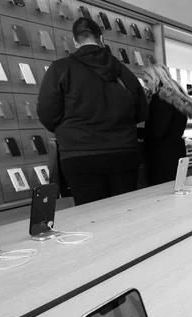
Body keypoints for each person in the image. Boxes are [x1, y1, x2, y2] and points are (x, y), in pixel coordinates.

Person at [37, 18, 148, 206]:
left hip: (80, 154)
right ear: (101, 39)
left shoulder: (61, 69)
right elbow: (142, 112)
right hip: (123, 152)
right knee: (126, 211)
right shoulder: (123, 71)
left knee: (90, 213)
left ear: (75, 41)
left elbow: (47, 113)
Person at [142, 64, 192, 186]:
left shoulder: (159, 100)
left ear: (156, 79)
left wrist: (137, 132)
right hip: (176, 153)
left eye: (146, 81)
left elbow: (157, 132)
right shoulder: (176, 99)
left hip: (161, 159)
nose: (145, 85)